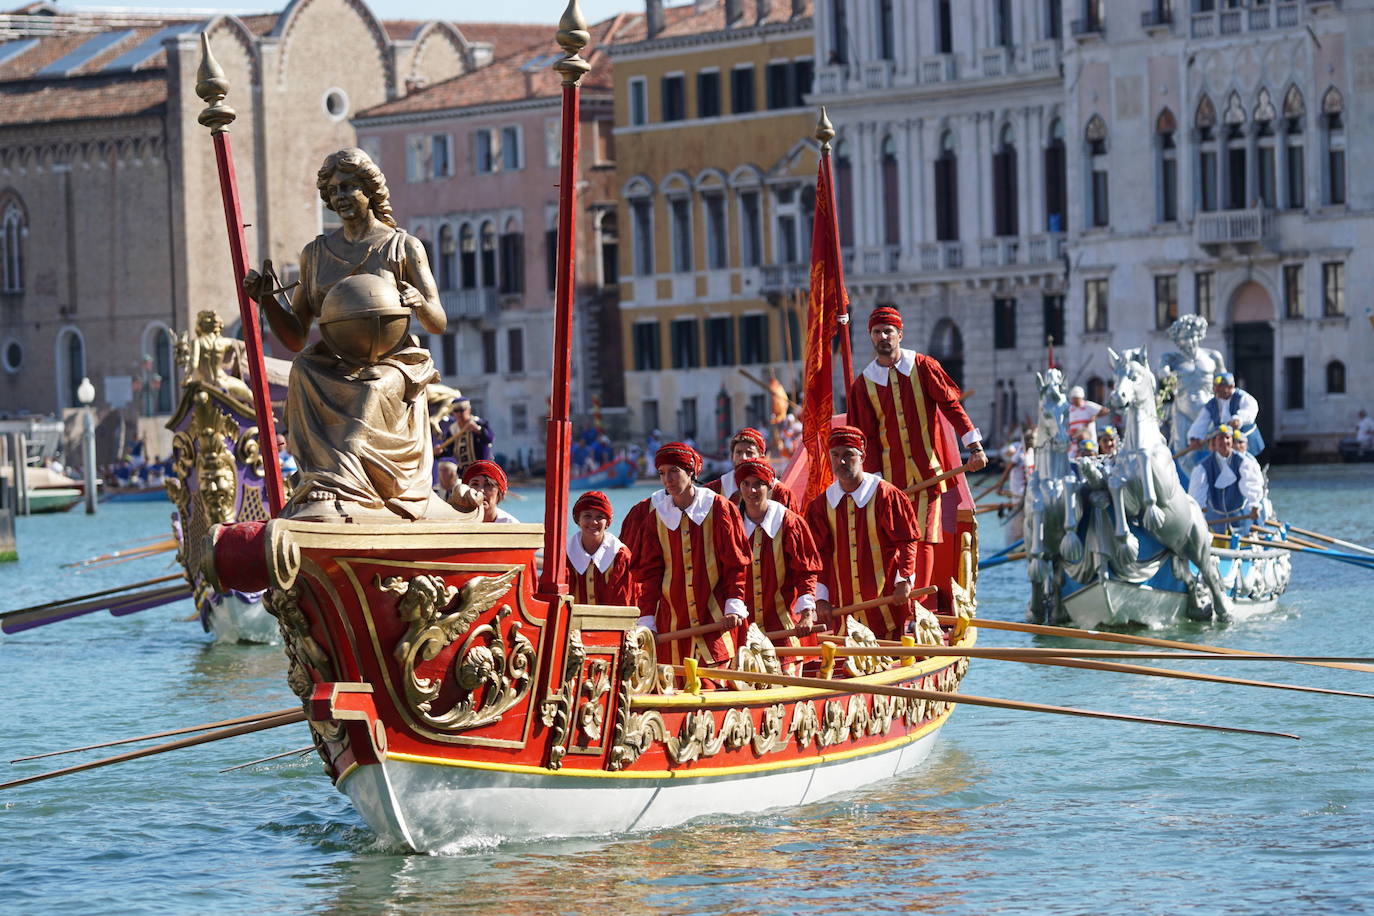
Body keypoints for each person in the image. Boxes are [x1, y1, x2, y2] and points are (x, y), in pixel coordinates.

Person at [243, 147, 475, 521]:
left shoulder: (403, 246)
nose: (341, 197)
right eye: (334, 191)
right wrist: (266, 302)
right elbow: (296, 338)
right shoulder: (316, 254)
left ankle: (350, 491)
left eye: (349, 187)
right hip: (336, 360)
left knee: (374, 386)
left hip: (393, 360)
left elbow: (439, 322)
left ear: (370, 190)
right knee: (302, 368)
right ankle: (319, 482)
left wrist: (417, 301)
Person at [846, 306, 985, 609]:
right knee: (894, 543)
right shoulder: (863, 384)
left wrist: (973, 445)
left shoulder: (923, 366)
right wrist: (874, 481)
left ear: (900, 334)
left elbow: (951, 407)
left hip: (928, 474)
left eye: (888, 331)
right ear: (870, 337)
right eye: (877, 332)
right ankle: (896, 608)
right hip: (889, 482)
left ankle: (920, 607)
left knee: (923, 538)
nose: (883, 337)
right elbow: (863, 437)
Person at [620, 442, 751, 667]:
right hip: (672, 626)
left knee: (714, 686)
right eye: (662, 473)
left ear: (690, 472)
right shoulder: (655, 519)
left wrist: (734, 602)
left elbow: (735, 563)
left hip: (716, 620)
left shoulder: (719, 509)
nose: (667, 480)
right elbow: (649, 576)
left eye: (674, 471)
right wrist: (648, 617)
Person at [805, 426, 922, 641]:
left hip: (885, 607)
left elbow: (908, 541)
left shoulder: (887, 495)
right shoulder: (820, 506)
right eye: (835, 455)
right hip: (844, 611)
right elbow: (818, 556)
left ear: (862, 457)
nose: (841, 461)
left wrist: (904, 580)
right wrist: (820, 598)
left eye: (848, 455)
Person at [734, 457, 821, 670]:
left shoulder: (791, 523)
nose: (751, 491)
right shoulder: (731, 524)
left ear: (770, 486)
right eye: (746, 484)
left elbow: (806, 572)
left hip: (785, 628)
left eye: (758, 484)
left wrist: (807, 614)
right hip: (744, 634)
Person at [1159, 315, 1227, 466]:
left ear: (1200, 335)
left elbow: (1226, 381)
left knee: (1217, 449)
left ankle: (1215, 482)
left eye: (1193, 336)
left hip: (1208, 411)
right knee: (1183, 455)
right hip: (1183, 411)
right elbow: (1162, 372)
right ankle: (1193, 485)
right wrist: (1165, 373)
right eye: (1185, 338)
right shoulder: (1172, 359)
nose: (1190, 341)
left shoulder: (1213, 356)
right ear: (1177, 340)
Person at [1188, 425, 1264, 535]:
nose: (1224, 441)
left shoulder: (1243, 462)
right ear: (1215, 442)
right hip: (1215, 522)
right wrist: (1199, 511)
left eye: (1227, 438)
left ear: (1232, 441)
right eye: (1220, 438)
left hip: (1241, 519)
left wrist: (1255, 506)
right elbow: (1197, 495)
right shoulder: (1203, 467)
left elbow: (1251, 484)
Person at [565, 490, 635, 606]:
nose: (593, 522)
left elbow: (623, 605)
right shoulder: (565, 554)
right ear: (577, 519)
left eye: (600, 516)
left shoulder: (620, 556)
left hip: (611, 623)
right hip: (571, 624)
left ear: (608, 522)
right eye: (587, 516)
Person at [704, 427, 798, 511]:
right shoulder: (714, 491)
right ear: (732, 456)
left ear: (761, 457)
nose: (743, 458)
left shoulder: (780, 493)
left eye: (749, 453)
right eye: (738, 452)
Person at [1188, 372, 1263, 456]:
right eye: (1215, 387)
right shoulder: (1212, 404)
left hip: (1248, 445)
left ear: (1230, 387)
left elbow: (1250, 410)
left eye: (1220, 387)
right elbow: (1201, 421)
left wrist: (1239, 419)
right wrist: (1195, 437)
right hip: (1226, 447)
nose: (1216, 390)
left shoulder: (1242, 397)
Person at [437, 397, 494, 471]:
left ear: (469, 410)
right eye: (456, 411)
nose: (459, 414)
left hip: (481, 469)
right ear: (453, 413)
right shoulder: (452, 429)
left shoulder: (479, 423)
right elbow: (449, 451)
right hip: (463, 471)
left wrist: (478, 429)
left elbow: (490, 438)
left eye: (462, 410)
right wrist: (440, 452)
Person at [1067, 385, 1109, 457]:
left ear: (1081, 398)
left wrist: (1095, 416)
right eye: (1074, 399)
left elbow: (1105, 410)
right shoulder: (1070, 409)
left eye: (1077, 399)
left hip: (1089, 442)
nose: (1075, 402)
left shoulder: (1087, 406)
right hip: (1075, 443)